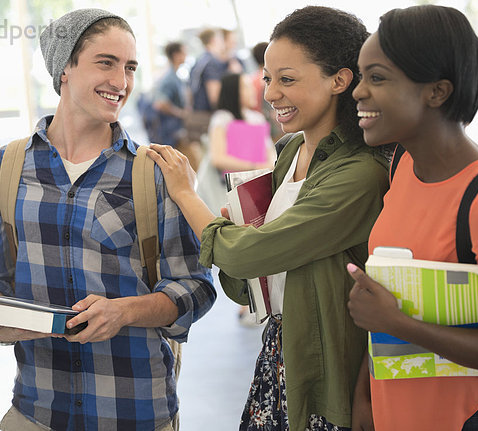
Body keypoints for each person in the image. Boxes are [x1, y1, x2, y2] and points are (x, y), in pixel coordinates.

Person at [0, 9, 215, 431]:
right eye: (106, 62)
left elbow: (196, 287)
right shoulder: (0, 171)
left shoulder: (155, 173)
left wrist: (124, 312)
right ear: (65, 67)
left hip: (135, 412)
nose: (121, 82)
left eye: (130, 67)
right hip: (37, 412)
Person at [148, 6, 390, 431]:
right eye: (267, 77)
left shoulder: (361, 173)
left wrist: (185, 194)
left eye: (288, 79)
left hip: (326, 371)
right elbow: (252, 279)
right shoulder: (291, 151)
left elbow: (250, 254)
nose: (270, 93)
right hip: (279, 352)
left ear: (339, 80)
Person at [346, 5, 478, 431]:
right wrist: (364, 396)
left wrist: (397, 324)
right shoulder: (401, 162)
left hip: (472, 416)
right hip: (397, 409)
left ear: (437, 92)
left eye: (377, 77)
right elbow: (388, 289)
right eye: (361, 74)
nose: (357, 91)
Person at [208, 73, 275, 173]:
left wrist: (270, 166)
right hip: (226, 184)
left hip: (259, 176)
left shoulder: (258, 119)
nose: (253, 91)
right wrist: (256, 167)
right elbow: (218, 159)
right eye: (246, 87)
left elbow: (270, 152)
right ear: (233, 92)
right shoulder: (222, 118)